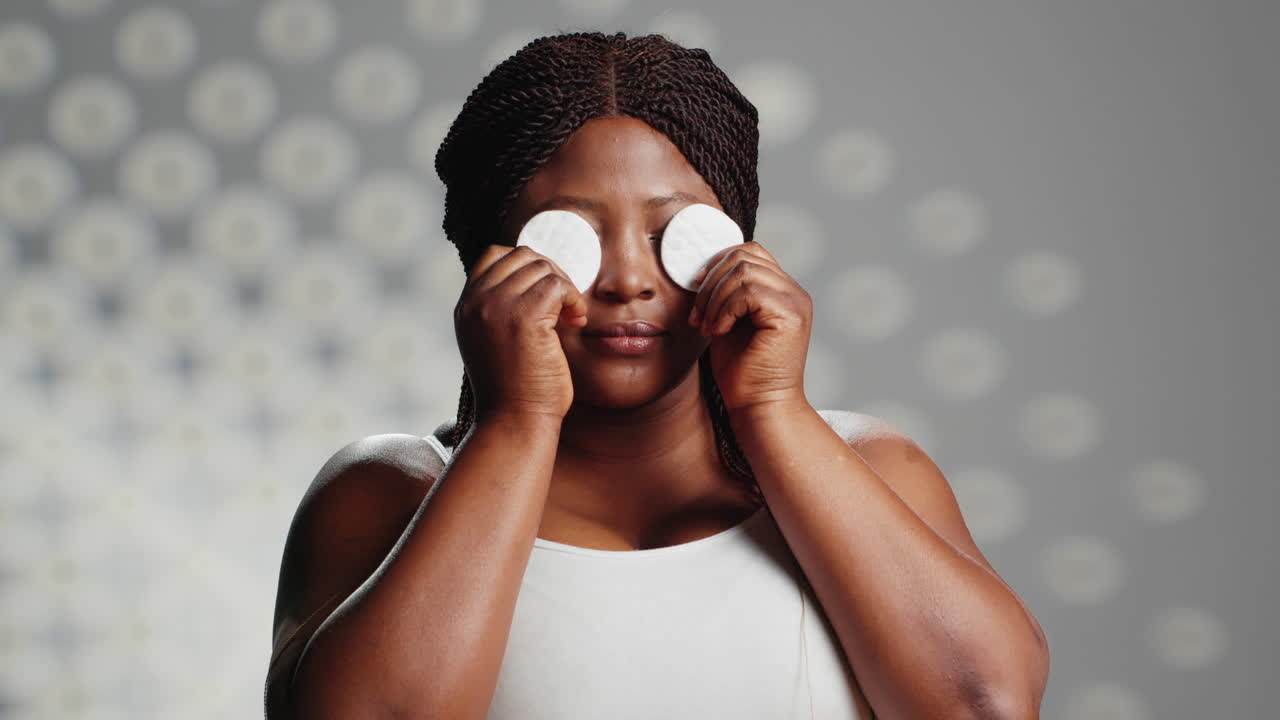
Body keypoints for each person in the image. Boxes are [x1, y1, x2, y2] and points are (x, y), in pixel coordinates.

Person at [264, 31, 1048, 720]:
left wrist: (773, 409)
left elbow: (982, 707)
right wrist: (517, 423)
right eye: (569, 236)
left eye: (676, 231)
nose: (628, 280)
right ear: (484, 261)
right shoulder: (387, 492)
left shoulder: (874, 470)